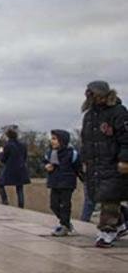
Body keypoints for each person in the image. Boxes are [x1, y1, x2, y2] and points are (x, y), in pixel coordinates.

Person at [80, 81, 128, 248]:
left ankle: (106, 232)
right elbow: (85, 140)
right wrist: (85, 159)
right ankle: (122, 221)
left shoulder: (118, 112)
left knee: (109, 197)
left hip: (113, 162)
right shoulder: (89, 116)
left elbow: (125, 138)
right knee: (100, 196)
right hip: (95, 163)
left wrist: (124, 159)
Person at [43, 129, 83, 236]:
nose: (52, 141)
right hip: (54, 182)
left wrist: (84, 179)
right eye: (52, 138)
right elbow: (45, 163)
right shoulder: (50, 153)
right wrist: (47, 167)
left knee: (65, 205)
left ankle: (64, 225)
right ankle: (66, 223)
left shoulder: (72, 153)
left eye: (55, 139)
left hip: (67, 182)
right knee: (53, 205)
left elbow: (78, 168)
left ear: (62, 140)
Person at [0, 127, 30, 208]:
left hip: (10, 169)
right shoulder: (22, 145)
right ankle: (21, 206)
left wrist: (1, 152)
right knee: (19, 187)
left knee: (0, 184)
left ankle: (5, 201)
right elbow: (25, 157)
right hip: (21, 168)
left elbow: (3, 159)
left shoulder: (7, 145)